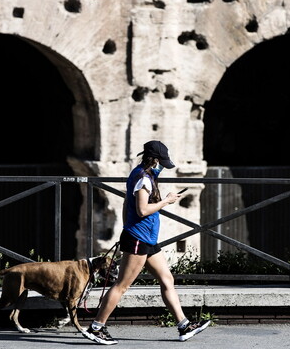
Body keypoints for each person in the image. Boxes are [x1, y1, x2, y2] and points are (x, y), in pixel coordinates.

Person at [81, 140, 210, 345]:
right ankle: (96, 327)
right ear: (155, 160)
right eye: (162, 162)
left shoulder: (140, 173)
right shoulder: (143, 178)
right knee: (122, 285)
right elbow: (142, 210)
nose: (163, 167)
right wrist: (165, 201)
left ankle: (184, 325)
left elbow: (126, 204)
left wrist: (127, 227)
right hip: (139, 239)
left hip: (146, 238)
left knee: (167, 279)